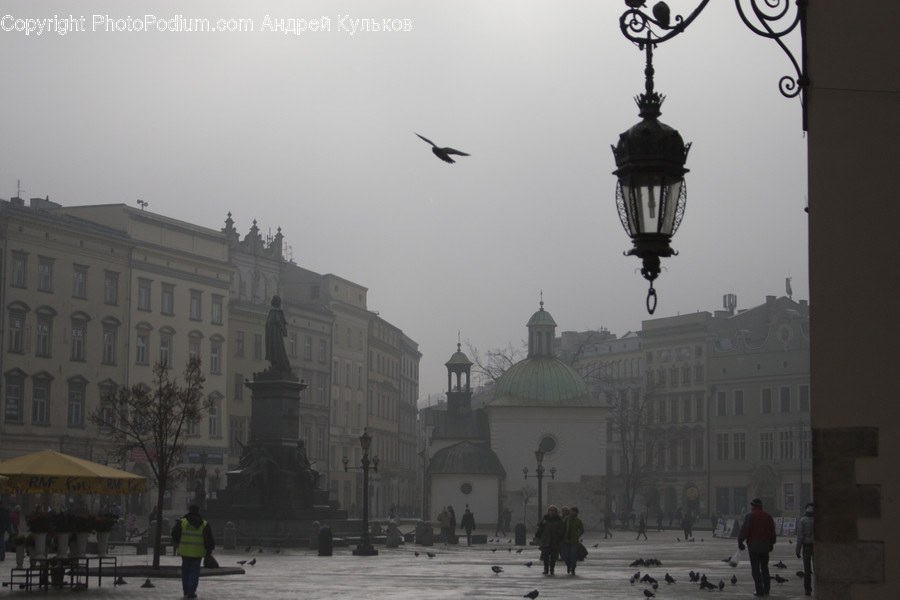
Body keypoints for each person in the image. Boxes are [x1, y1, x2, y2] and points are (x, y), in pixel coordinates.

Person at [171, 504, 215, 599]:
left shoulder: (182, 522)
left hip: (185, 551)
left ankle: (186, 591)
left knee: (185, 571)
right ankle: (191, 591)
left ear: (189, 510)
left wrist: (179, 542)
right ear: (198, 511)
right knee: (194, 572)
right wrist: (209, 551)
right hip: (197, 552)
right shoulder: (204, 524)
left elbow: (174, 534)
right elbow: (209, 539)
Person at [737, 498, 776, 597]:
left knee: (755, 569)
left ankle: (759, 590)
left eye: (751, 506)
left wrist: (740, 541)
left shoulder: (750, 516)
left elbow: (745, 529)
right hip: (765, 545)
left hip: (754, 545)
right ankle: (767, 589)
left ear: (753, 506)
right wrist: (771, 543)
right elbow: (772, 531)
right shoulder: (768, 516)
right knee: (764, 568)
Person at [264, 295, 291, 372]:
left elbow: (271, 323)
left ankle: (276, 365)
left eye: (273, 299)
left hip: (274, 336)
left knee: (275, 350)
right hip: (275, 336)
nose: (271, 301)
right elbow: (282, 325)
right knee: (277, 350)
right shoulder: (278, 312)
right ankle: (276, 364)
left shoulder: (274, 311)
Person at [536, 505, 564, 575]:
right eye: (550, 510)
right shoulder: (545, 518)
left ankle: (552, 569)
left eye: (553, 510)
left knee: (553, 557)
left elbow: (562, 528)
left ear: (555, 511)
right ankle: (546, 569)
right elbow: (539, 526)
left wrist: (559, 534)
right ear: (548, 511)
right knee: (545, 556)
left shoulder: (558, 519)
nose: (552, 512)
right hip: (546, 540)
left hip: (555, 541)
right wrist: (542, 523)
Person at [795, 502, 814, 596]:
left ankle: (808, 589)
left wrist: (797, 550)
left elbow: (800, 537)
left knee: (807, 570)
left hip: (806, 546)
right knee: (818, 568)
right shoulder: (818, 519)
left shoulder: (802, 520)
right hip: (816, 547)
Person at [561, 505, 585, 576]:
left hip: (574, 541)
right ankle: (568, 565)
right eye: (571, 511)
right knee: (566, 555)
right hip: (566, 540)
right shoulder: (566, 519)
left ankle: (573, 568)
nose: (571, 512)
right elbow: (562, 526)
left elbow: (582, 530)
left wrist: (577, 535)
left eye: (573, 511)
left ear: (576, 512)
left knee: (573, 555)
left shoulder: (578, 520)